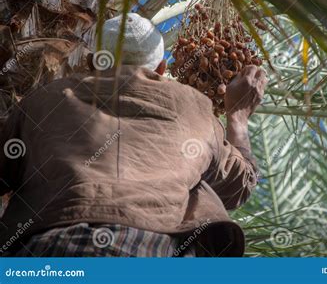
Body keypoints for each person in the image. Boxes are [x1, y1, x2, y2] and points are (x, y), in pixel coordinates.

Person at [0, 13, 267, 257]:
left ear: (92, 61)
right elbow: (238, 185)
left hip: (49, 249)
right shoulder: (194, 107)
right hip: (151, 249)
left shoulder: (43, 101)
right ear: (162, 69)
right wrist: (238, 116)